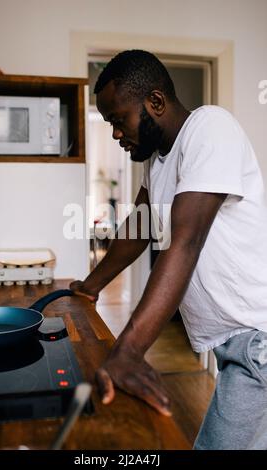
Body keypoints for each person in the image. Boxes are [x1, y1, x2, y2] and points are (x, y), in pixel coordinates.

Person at [70, 50, 267, 450]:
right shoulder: (157, 161)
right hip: (235, 341)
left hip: (258, 341)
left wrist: (128, 351)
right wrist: (91, 285)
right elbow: (138, 229)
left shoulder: (210, 128)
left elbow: (185, 241)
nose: (114, 133)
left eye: (117, 120)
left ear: (155, 102)